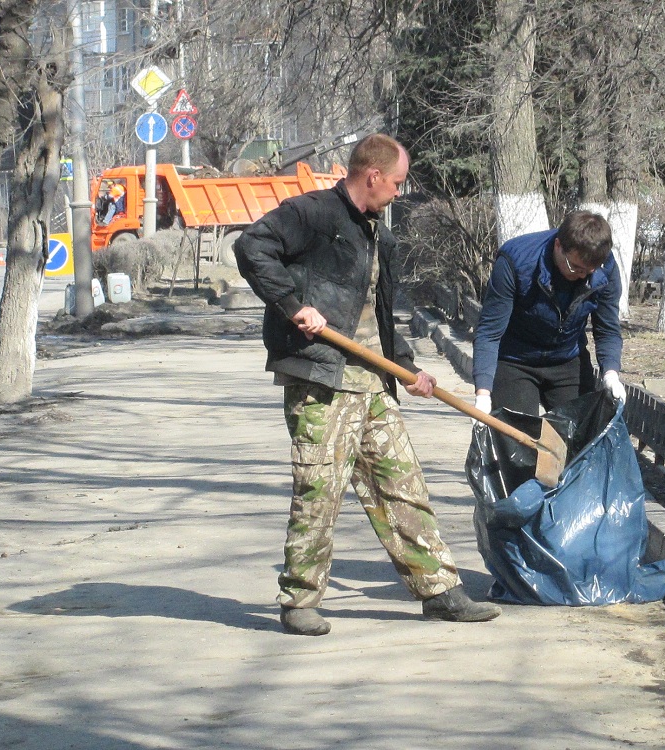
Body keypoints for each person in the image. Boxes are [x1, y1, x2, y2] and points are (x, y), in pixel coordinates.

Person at [234, 133, 502, 636]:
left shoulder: (381, 234)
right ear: (373, 175)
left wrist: (406, 365)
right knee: (320, 490)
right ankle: (299, 601)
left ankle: (440, 591)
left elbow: (379, 312)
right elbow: (252, 247)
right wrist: (294, 306)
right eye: (397, 183)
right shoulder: (311, 214)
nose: (400, 193)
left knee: (403, 483)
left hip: (373, 382)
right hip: (321, 377)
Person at [472, 210, 626, 418]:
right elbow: (489, 332)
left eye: (589, 271)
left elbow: (607, 329)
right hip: (515, 360)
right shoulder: (516, 261)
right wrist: (483, 394)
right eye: (576, 267)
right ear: (558, 246)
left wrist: (611, 373)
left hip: (567, 358)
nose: (581, 275)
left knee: (579, 438)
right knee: (520, 438)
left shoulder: (604, 267)